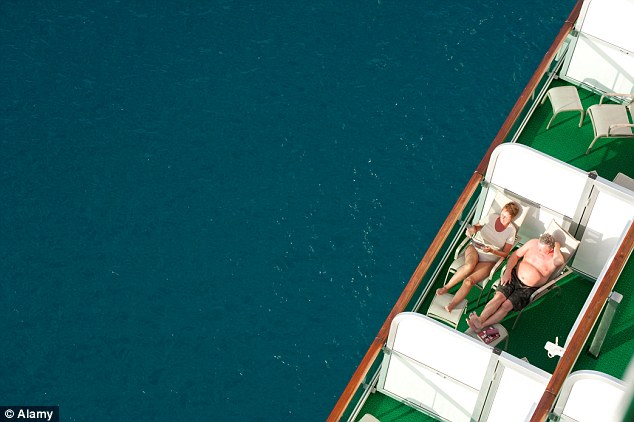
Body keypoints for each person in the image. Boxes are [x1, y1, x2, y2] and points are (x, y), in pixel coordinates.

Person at [466, 233, 564, 331]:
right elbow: (515, 255)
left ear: (551, 249)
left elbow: (560, 262)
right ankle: (480, 319)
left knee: (506, 306)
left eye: (542, 250)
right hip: (513, 276)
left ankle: (482, 325)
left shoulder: (554, 258)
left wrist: (557, 247)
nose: (539, 250)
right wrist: (508, 271)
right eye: (539, 247)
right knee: (499, 297)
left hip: (528, 288)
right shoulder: (533, 243)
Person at [436, 202, 520, 312]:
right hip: (475, 248)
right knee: (469, 266)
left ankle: (452, 304)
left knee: (469, 281)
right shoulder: (492, 217)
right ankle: (446, 288)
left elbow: (505, 254)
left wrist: (493, 251)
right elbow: (478, 226)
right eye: (502, 214)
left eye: (506, 218)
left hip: (490, 259)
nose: (502, 218)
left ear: (511, 219)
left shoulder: (511, 231)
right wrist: (473, 229)